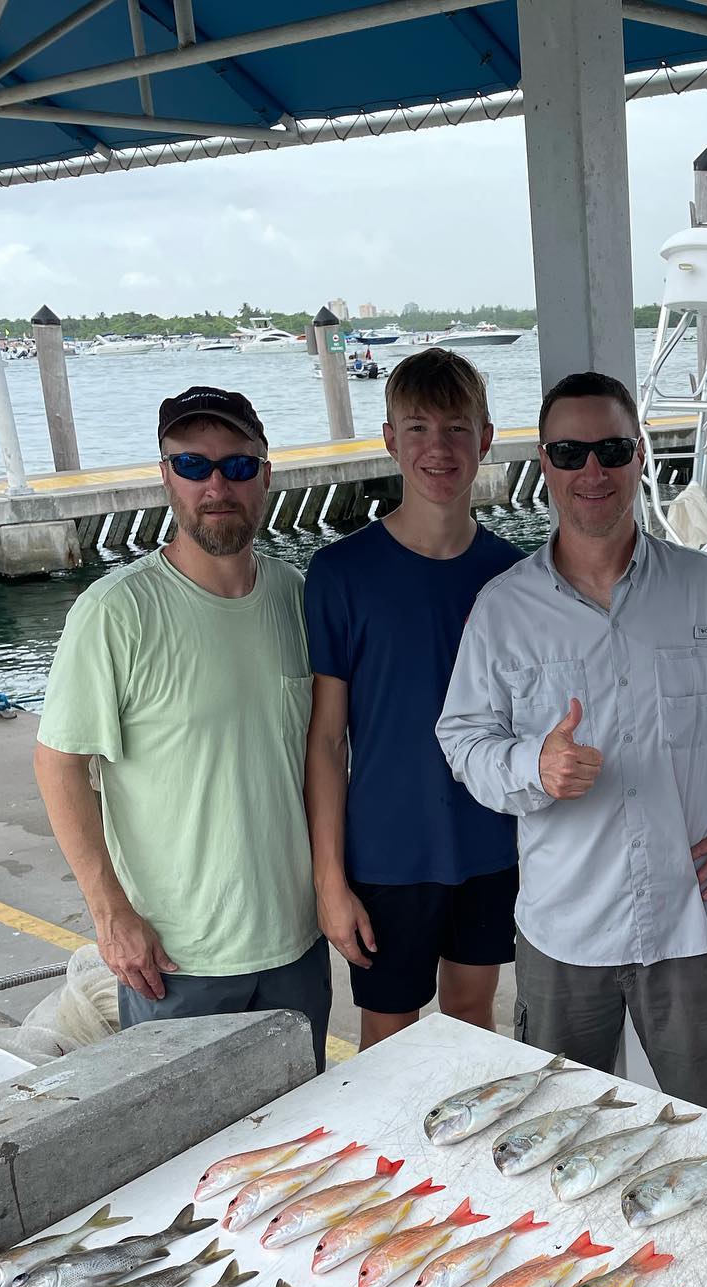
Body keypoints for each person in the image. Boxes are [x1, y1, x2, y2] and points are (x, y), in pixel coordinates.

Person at [437, 369, 707, 1118]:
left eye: (611, 449)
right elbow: (462, 738)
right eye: (569, 452)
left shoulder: (706, 589)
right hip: (562, 927)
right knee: (555, 1127)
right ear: (544, 464)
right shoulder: (503, 609)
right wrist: (530, 764)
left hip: (689, 921)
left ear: (640, 458)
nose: (591, 471)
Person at [34, 386, 330, 1068]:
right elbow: (58, 763)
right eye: (193, 466)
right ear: (165, 474)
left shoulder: (296, 597)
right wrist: (111, 916)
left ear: (266, 472)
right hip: (176, 959)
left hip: (297, 943)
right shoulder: (115, 612)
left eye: (239, 465)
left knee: (297, 1143)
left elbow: (317, 755)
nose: (217, 485)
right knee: (183, 1157)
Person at [304, 348, 523, 1049]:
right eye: (419, 428)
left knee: (471, 1023)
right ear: (391, 439)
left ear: (485, 440)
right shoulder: (340, 573)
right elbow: (327, 741)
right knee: (387, 1036)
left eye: (458, 428)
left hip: (490, 844)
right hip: (386, 854)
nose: (439, 448)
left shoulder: (513, 577)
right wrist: (330, 881)